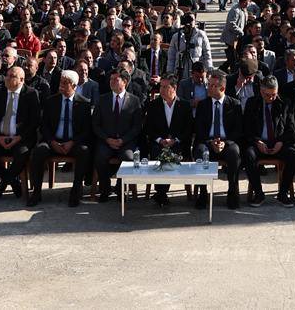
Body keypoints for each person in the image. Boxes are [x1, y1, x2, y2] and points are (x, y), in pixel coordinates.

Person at [31, 69, 92, 206]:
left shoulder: (84, 103)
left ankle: (76, 190)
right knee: (39, 151)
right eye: (61, 82)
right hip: (53, 142)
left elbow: (86, 130)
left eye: (65, 83)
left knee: (84, 151)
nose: (61, 85)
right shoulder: (51, 101)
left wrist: (73, 142)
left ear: (74, 86)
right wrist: (52, 141)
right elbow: (44, 126)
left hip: (73, 143)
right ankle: (36, 192)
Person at [0, 64, 41, 200]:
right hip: (1, 137)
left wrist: (19, 137)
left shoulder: (31, 94)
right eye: (6, 76)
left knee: (22, 154)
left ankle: (1, 186)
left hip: (21, 138)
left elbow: (34, 121)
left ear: (22, 80)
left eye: (12, 76)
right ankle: (13, 181)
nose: (7, 79)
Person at [91, 68, 143, 202]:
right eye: (111, 79)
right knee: (99, 157)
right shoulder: (102, 99)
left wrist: (123, 140)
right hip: (106, 141)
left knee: (128, 158)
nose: (112, 82)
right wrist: (107, 139)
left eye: (116, 79)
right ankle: (105, 188)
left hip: (125, 142)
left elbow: (137, 126)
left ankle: (120, 188)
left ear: (124, 82)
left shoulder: (134, 101)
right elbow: (95, 124)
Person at [242, 75, 295, 205]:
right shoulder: (252, 103)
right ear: (261, 91)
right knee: (248, 154)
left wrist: (281, 141)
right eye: (267, 95)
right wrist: (257, 141)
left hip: (279, 143)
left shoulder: (285, 103)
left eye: (274, 95)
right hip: (259, 143)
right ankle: (258, 193)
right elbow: (246, 128)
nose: (271, 98)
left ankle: (283, 193)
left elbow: (291, 128)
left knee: (293, 155)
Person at [194, 70, 244, 209]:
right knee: (200, 151)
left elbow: (238, 130)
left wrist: (224, 143)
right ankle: (203, 193)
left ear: (222, 88)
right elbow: (198, 129)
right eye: (209, 85)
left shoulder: (235, 104)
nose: (208, 88)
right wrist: (211, 143)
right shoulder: (203, 105)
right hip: (207, 142)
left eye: (212, 86)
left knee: (234, 152)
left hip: (227, 143)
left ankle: (232, 191)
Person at [142, 75, 193, 207]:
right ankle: (161, 193)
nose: (162, 90)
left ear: (174, 88)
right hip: (159, 144)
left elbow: (188, 129)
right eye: (161, 87)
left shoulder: (185, 105)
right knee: (160, 155)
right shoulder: (153, 105)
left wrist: (175, 140)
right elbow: (148, 128)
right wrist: (160, 140)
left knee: (171, 156)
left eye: (166, 87)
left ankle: (160, 193)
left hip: (178, 144)